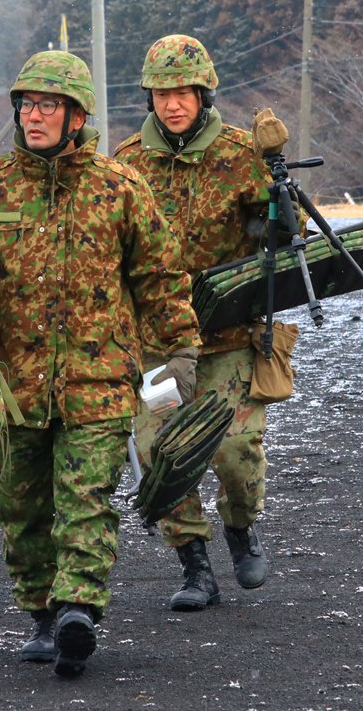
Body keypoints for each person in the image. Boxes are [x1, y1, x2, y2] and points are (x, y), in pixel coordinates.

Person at [0, 50, 201, 677]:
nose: (34, 115)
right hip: (12, 383)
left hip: (98, 383)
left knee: (87, 497)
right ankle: (41, 610)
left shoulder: (119, 188)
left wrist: (180, 351)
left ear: (76, 116)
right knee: (22, 506)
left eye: (49, 106)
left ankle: (78, 610)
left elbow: (160, 279)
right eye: (27, 104)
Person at [114, 34, 280, 611]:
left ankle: (240, 526)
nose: (173, 103)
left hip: (228, 336)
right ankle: (194, 565)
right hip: (156, 340)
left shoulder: (240, 155)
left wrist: (276, 204)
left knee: (236, 450)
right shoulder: (127, 162)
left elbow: (287, 238)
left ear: (204, 93)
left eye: (184, 91)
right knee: (160, 451)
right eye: (162, 93)